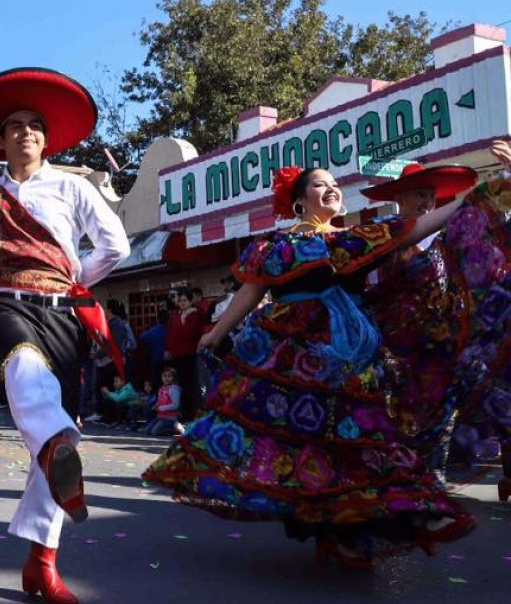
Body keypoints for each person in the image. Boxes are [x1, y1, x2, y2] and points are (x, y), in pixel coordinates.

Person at [143, 165, 476, 569]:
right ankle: (340, 532)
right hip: (290, 359)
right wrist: (216, 332)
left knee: (359, 437)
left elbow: (417, 226)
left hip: (348, 357)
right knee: (303, 447)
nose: (332, 189)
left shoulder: (356, 239)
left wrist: (474, 197)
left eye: (335, 185)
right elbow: (251, 290)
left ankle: (400, 514)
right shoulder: (277, 246)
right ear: (300, 200)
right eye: (321, 184)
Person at [0, 68, 130, 604]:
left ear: (46, 140)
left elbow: (115, 246)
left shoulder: (73, 186)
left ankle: (42, 562)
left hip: (64, 314)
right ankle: (55, 447)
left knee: (57, 439)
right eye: (15, 126)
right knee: (24, 367)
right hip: (4, 305)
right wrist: (4, 284)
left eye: (35, 125)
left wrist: (73, 281)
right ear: (0, 140)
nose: (26, 132)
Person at [360, 162, 479, 485]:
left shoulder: (447, 239)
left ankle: (432, 479)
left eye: (430, 195)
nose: (426, 202)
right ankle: (399, 481)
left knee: (441, 411)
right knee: (397, 416)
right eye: (419, 195)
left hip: (440, 345)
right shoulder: (383, 234)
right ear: (400, 197)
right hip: (395, 346)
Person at [163, 287, 204, 419]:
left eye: (185, 300)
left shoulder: (194, 315)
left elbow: (189, 334)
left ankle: (189, 413)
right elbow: (170, 333)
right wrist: (167, 349)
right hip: (175, 354)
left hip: (188, 353)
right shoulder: (174, 314)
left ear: (190, 301)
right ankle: (179, 411)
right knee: (176, 383)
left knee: (188, 384)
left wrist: (184, 318)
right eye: (180, 301)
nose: (182, 303)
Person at [142, 367, 182, 437]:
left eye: (169, 376)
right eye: (164, 376)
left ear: (173, 378)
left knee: (154, 432)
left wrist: (160, 408)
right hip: (160, 416)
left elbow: (175, 405)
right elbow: (160, 400)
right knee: (147, 431)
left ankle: (175, 428)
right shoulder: (162, 388)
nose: (166, 378)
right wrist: (156, 405)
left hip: (170, 418)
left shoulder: (173, 389)